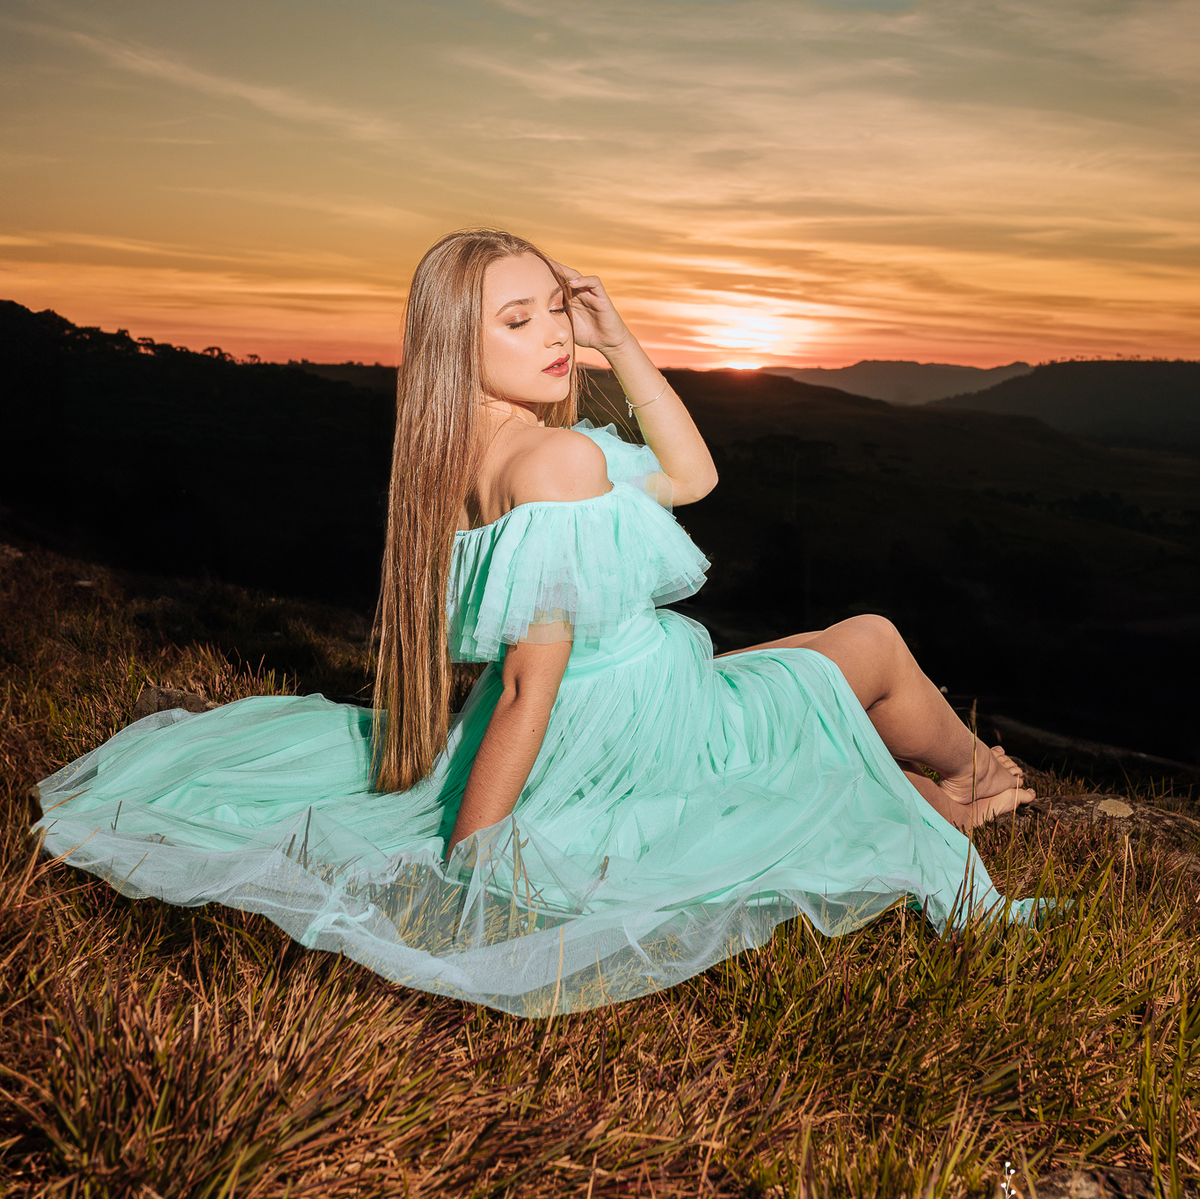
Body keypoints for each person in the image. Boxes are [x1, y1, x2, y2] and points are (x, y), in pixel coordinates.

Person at [36, 229, 1036, 1017]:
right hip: (630, 729)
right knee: (868, 643)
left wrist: (617, 341)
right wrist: (470, 864)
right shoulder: (557, 463)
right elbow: (528, 680)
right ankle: (979, 780)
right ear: (458, 344)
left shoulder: (462, 457)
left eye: (557, 310)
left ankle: (958, 787)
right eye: (519, 320)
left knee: (825, 661)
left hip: (596, 712)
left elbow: (691, 478)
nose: (556, 336)